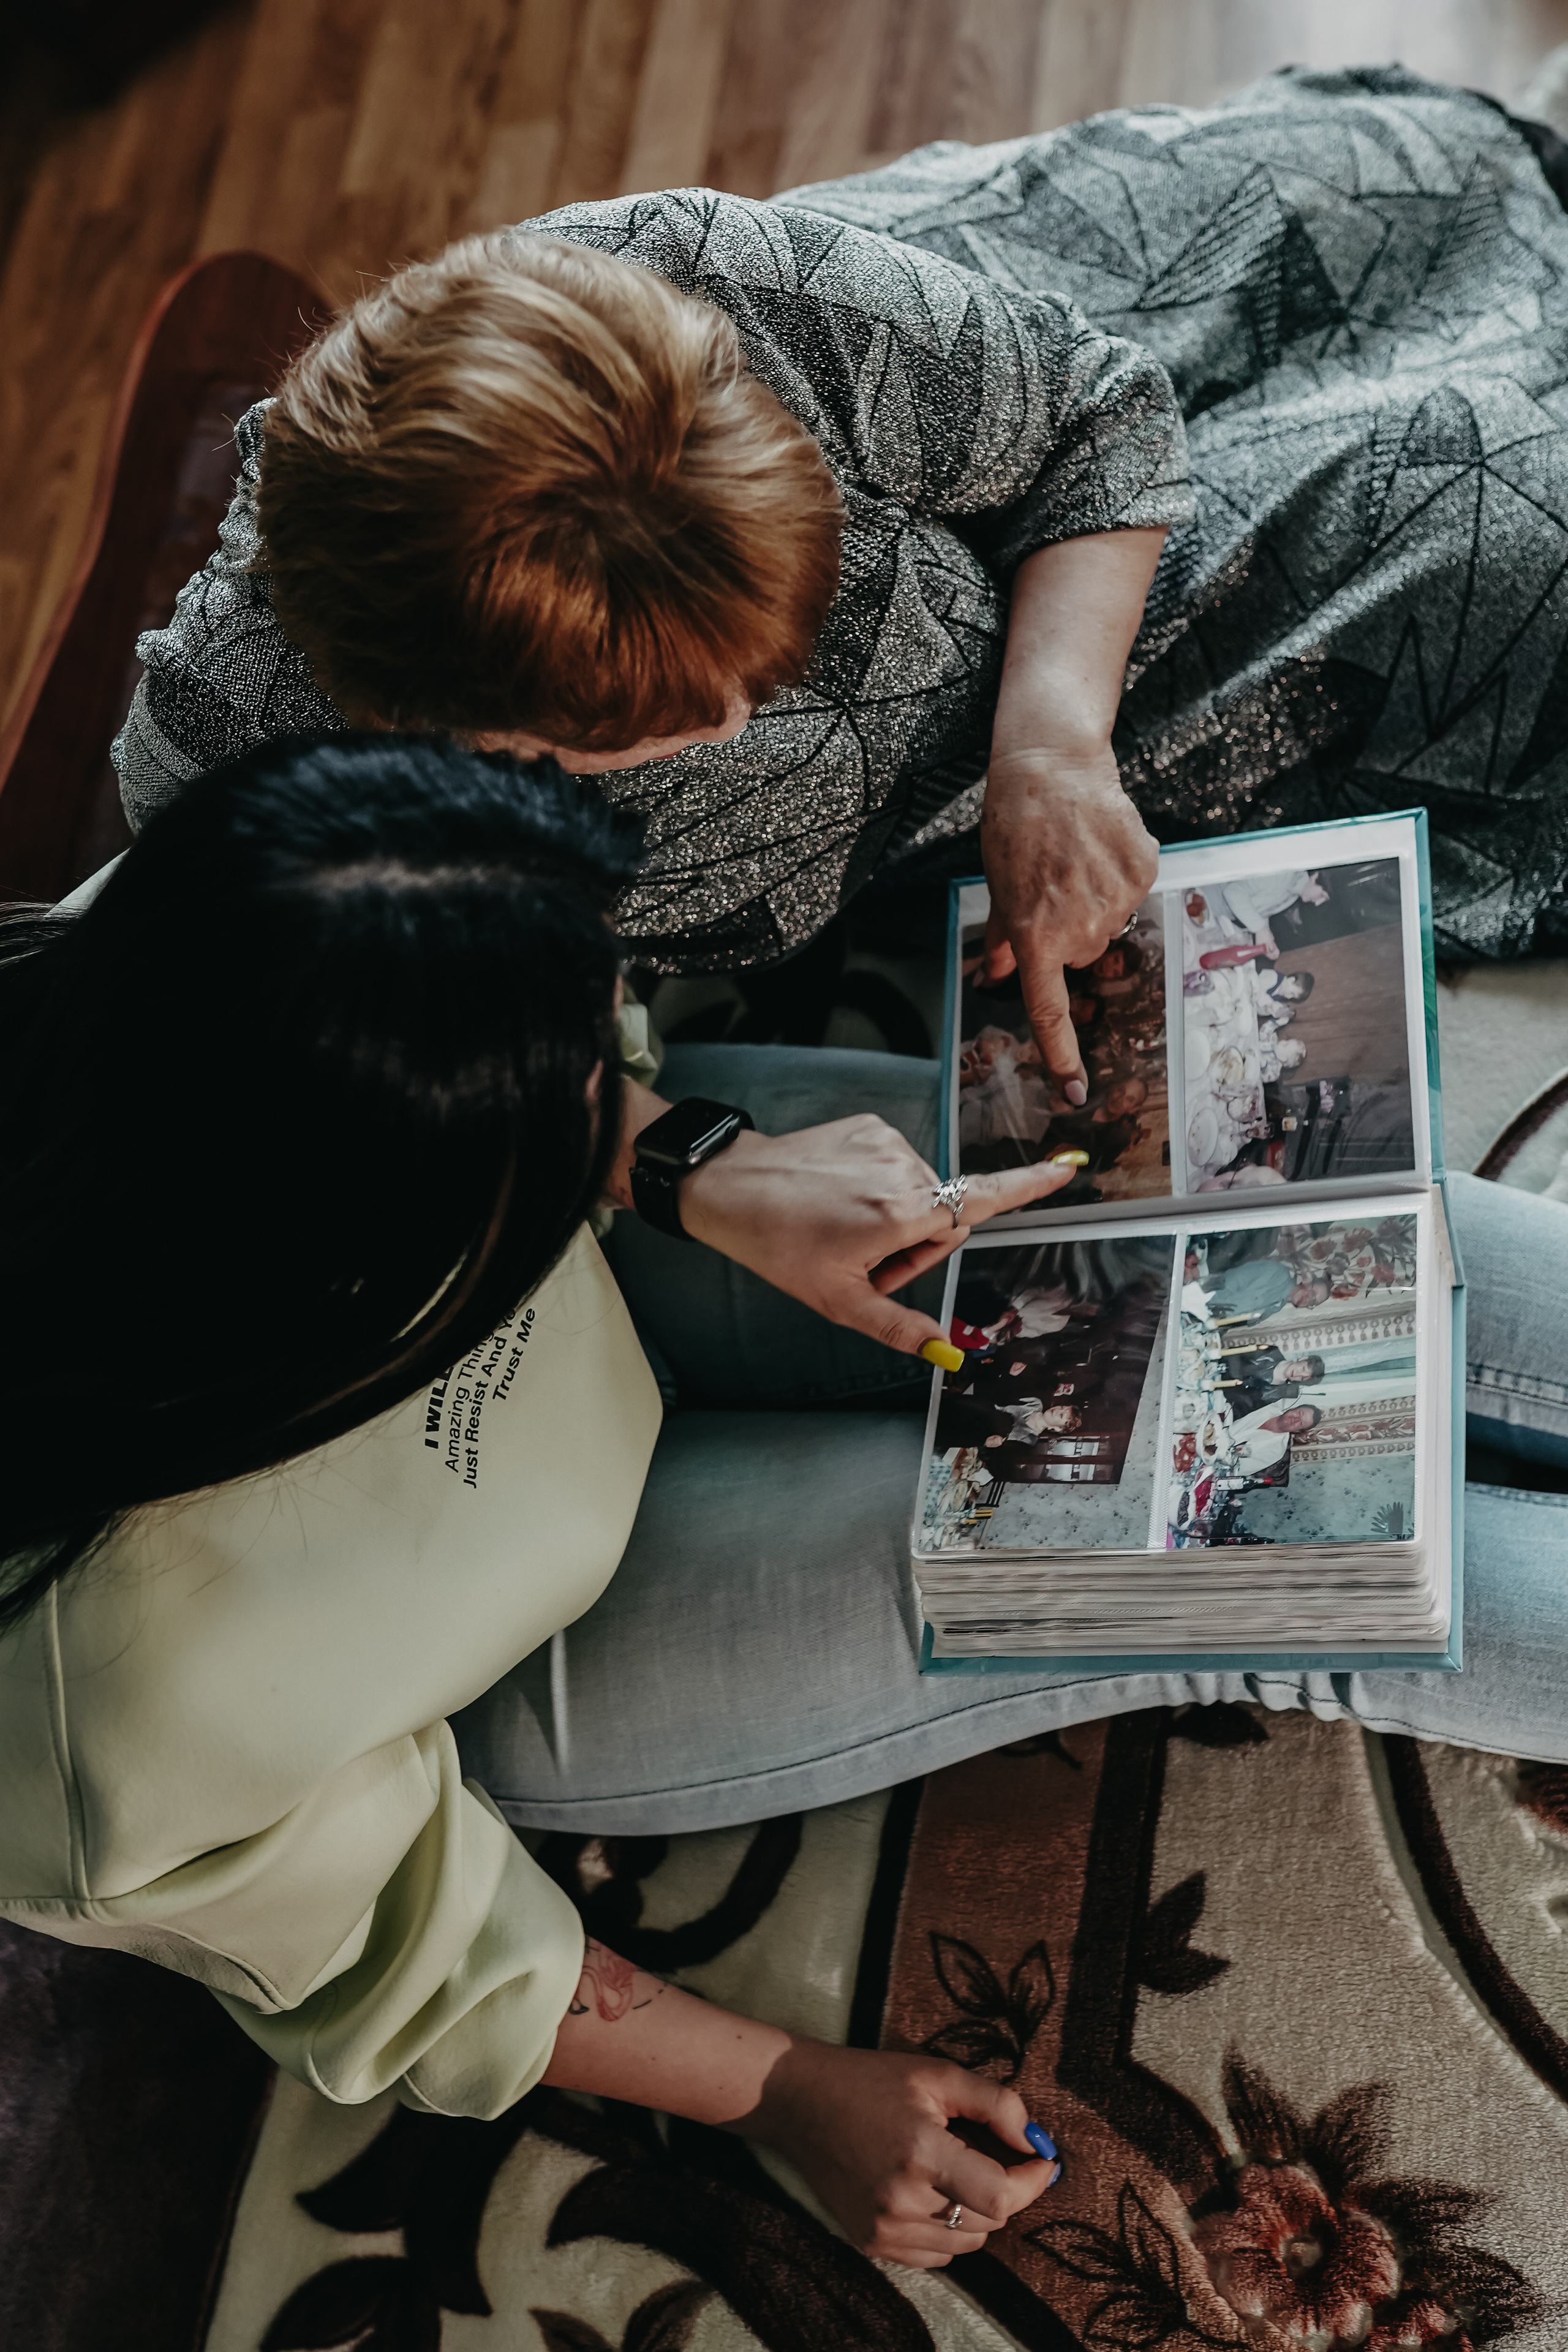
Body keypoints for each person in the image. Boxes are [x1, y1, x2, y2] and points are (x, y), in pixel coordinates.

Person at [14, 736, 1568, 2271]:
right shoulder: (126, 1715)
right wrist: (789, 2089)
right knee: (1248, 1546)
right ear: (368, 1251)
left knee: (1289, 1226)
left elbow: (552, 1039)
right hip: (526, 1636)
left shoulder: (221, 929)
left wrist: (675, 1155)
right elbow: (422, 1954)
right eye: (563, 1090)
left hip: (572, 1240)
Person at [110, 67, 1568, 1099]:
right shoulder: (256, 780)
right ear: (455, 724)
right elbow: (412, 1048)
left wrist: (1047, 747)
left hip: (1043, 471)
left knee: (1418, 235)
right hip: (1010, 727)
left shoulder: (694, 281)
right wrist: (678, 1162)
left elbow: (1092, 416)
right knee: (1507, 530)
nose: (751, 715)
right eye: (679, 717)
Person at [1224, 1401, 1324, 1478]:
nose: (1296, 1419)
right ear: (1293, 1408)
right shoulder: (1265, 1405)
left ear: (1298, 1431)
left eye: (1301, 1423)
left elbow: (1235, 1470)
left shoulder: (1276, 1451)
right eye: (1299, 1413)